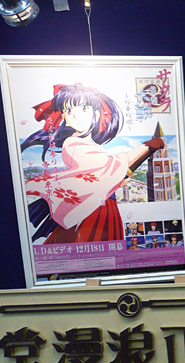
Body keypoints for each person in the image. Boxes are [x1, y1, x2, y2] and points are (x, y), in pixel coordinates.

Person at [22, 84, 165, 244]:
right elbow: (111, 165)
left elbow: (101, 172)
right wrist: (148, 146)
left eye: (83, 108)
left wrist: (115, 179)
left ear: (96, 113)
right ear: (64, 117)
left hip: (102, 207)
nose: (76, 115)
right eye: (68, 110)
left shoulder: (91, 144)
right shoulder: (72, 143)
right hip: (90, 211)